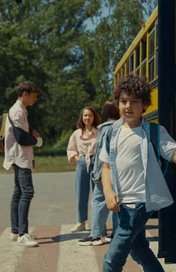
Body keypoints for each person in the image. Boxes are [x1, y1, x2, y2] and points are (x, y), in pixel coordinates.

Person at [99, 75, 176, 272]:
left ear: (144, 105)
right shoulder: (112, 132)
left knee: (112, 260)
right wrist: (108, 192)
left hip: (139, 202)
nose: (128, 106)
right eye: (124, 101)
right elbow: (106, 166)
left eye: (134, 102)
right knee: (139, 250)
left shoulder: (154, 132)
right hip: (119, 204)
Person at [3, 81, 43, 247]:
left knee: (18, 192)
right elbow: (21, 138)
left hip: (17, 156)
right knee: (27, 192)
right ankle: (23, 234)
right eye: (33, 96)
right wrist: (37, 141)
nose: (35, 99)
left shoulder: (20, 110)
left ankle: (15, 230)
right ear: (25, 94)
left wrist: (30, 134)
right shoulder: (17, 111)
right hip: (19, 157)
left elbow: (21, 133)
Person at [78, 101, 121, 246]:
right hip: (119, 171)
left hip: (106, 171)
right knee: (116, 202)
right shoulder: (122, 126)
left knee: (97, 200)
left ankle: (96, 234)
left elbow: (101, 155)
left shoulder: (105, 129)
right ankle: (116, 232)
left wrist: (96, 175)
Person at [67, 106, 102, 233]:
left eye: (90, 115)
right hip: (82, 162)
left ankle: (98, 223)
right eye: (85, 115)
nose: (87, 118)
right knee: (81, 192)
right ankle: (81, 222)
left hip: (97, 163)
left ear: (94, 117)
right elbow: (71, 149)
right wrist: (77, 159)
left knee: (98, 194)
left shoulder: (99, 132)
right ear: (82, 117)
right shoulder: (76, 134)